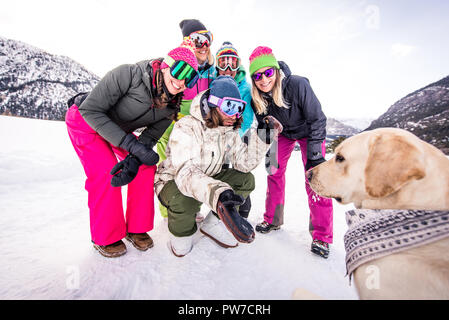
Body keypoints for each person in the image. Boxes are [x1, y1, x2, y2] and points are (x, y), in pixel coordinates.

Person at [65, 41, 199, 258]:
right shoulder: (129, 74)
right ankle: (106, 236)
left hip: (117, 130)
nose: (183, 81)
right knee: (106, 170)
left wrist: (136, 158)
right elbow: (91, 109)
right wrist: (130, 145)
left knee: (145, 166)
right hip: (85, 120)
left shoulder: (171, 105)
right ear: (166, 66)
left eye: (191, 77)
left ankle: (137, 227)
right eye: (180, 70)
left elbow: (150, 136)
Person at [154, 76, 282, 257]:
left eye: (239, 108)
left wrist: (264, 138)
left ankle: (213, 224)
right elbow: (186, 174)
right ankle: (180, 235)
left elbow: (243, 163)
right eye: (229, 106)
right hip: (174, 181)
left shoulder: (229, 130)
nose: (234, 114)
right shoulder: (187, 126)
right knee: (185, 200)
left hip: (209, 178)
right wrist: (220, 195)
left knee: (245, 180)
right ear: (213, 104)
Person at [248, 46, 333, 259]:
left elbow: (317, 119)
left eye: (268, 72)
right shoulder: (257, 98)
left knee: (315, 180)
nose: (264, 79)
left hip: (308, 131)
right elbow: (264, 125)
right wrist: (265, 139)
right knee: (273, 170)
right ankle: (273, 219)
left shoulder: (297, 85)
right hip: (283, 135)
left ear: (276, 71)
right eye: (257, 76)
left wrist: (315, 156)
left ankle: (322, 236)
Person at [157, 19, 216, 219]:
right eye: (198, 40)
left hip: (199, 122)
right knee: (169, 163)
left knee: (194, 164)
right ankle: (168, 212)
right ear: (187, 42)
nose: (204, 45)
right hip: (173, 119)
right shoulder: (180, 63)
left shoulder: (211, 70)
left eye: (208, 38)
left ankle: (192, 208)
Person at [214, 41, 255, 218]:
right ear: (217, 65)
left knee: (240, 170)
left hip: (238, 136)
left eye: (233, 62)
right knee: (220, 170)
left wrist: (232, 139)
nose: (228, 67)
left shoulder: (244, 87)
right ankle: (221, 206)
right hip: (218, 137)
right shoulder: (213, 83)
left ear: (239, 65)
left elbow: (246, 118)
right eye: (223, 62)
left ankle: (243, 208)